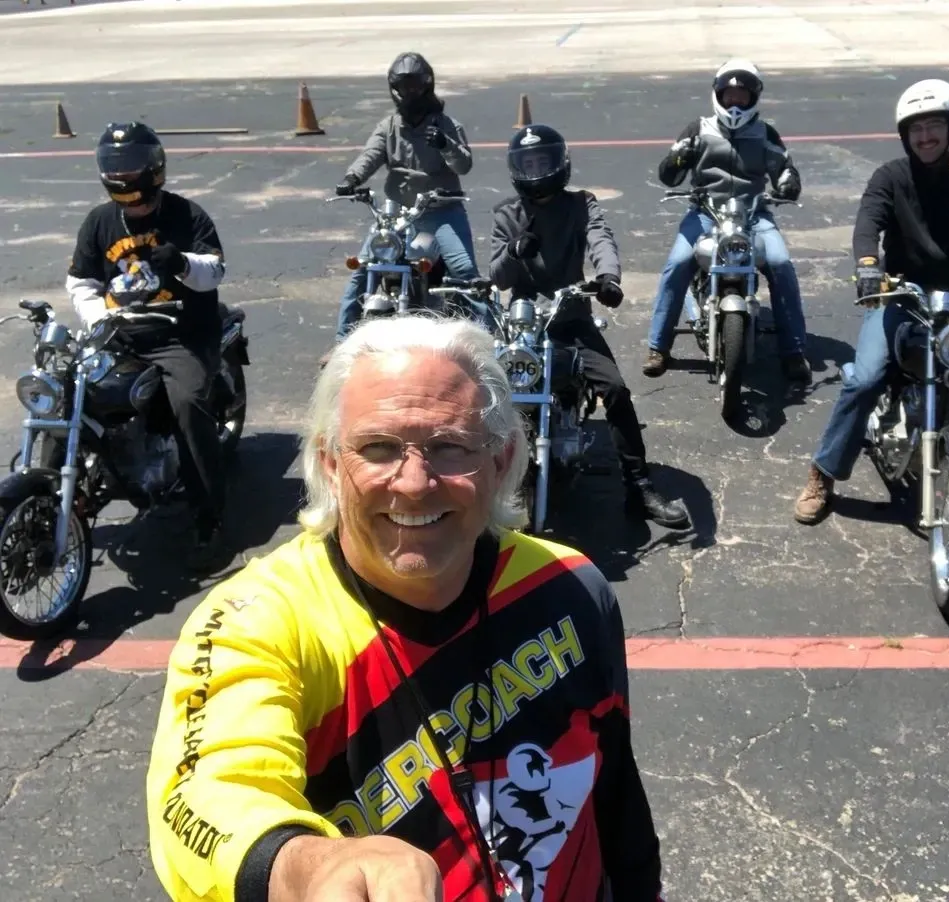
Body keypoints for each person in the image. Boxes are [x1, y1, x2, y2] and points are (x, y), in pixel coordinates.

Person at [145, 315, 667, 902]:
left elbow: (617, 793)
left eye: (449, 447)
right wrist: (309, 865)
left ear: (501, 461)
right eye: (378, 448)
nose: (414, 483)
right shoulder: (258, 620)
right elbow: (204, 797)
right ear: (330, 463)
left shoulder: (570, 585)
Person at [792, 79, 949, 539]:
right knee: (865, 379)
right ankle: (824, 474)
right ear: (904, 135)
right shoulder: (891, 176)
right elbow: (868, 224)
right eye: (917, 129)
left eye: (935, 126)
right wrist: (868, 266)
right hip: (901, 297)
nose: (926, 137)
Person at [490, 123, 692, 530]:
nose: (535, 170)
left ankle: (639, 487)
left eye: (542, 162)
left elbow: (601, 239)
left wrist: (609, 280)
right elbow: (498, 276)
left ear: (559, 163)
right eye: (527, 163)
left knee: (615, 389)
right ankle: (484, 488)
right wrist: (514, 251)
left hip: (570, 314)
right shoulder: (507, 214)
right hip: (524, 322)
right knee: (488, 396)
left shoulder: (581, 203)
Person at [66, 121, 229, 569]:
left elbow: (215, 270)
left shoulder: (186, 215)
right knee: (69, 393)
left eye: (131, 166)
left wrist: (180, 262)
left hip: (179, 334)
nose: (123, 175)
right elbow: (81, 281)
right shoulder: (100, 221)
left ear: (154, 169)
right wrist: (100, 318)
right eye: (116, 167)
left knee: (188, 407)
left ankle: (208, 517)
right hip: (119, 333)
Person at [642, 58, 811, 384]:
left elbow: (786, 171)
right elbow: (669, 175)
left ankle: (793, 350)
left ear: (754, 97)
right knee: (678, 263)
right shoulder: (698, 129)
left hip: (753, 215)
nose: (735, 102)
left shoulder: (766, 134)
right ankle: (658, 346)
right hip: (706, 212)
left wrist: (788, 182)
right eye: (729, 95)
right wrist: (678, 157)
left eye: (742, 96)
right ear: (718, 95)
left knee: (781, 263)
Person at [325, 51, 480, 360]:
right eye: (403, 87)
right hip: (396, 213)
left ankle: (485, 342)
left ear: (428, 86)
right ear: (394, 89)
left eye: (415, 86)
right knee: (364, 267)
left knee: (465, 273)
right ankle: (342, 343)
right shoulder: (390, 125)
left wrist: (445, 145)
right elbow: (371, 154)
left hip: (440, 209)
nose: (410, 93)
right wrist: (352, 178)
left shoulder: (446, 124)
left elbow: (464, 165)